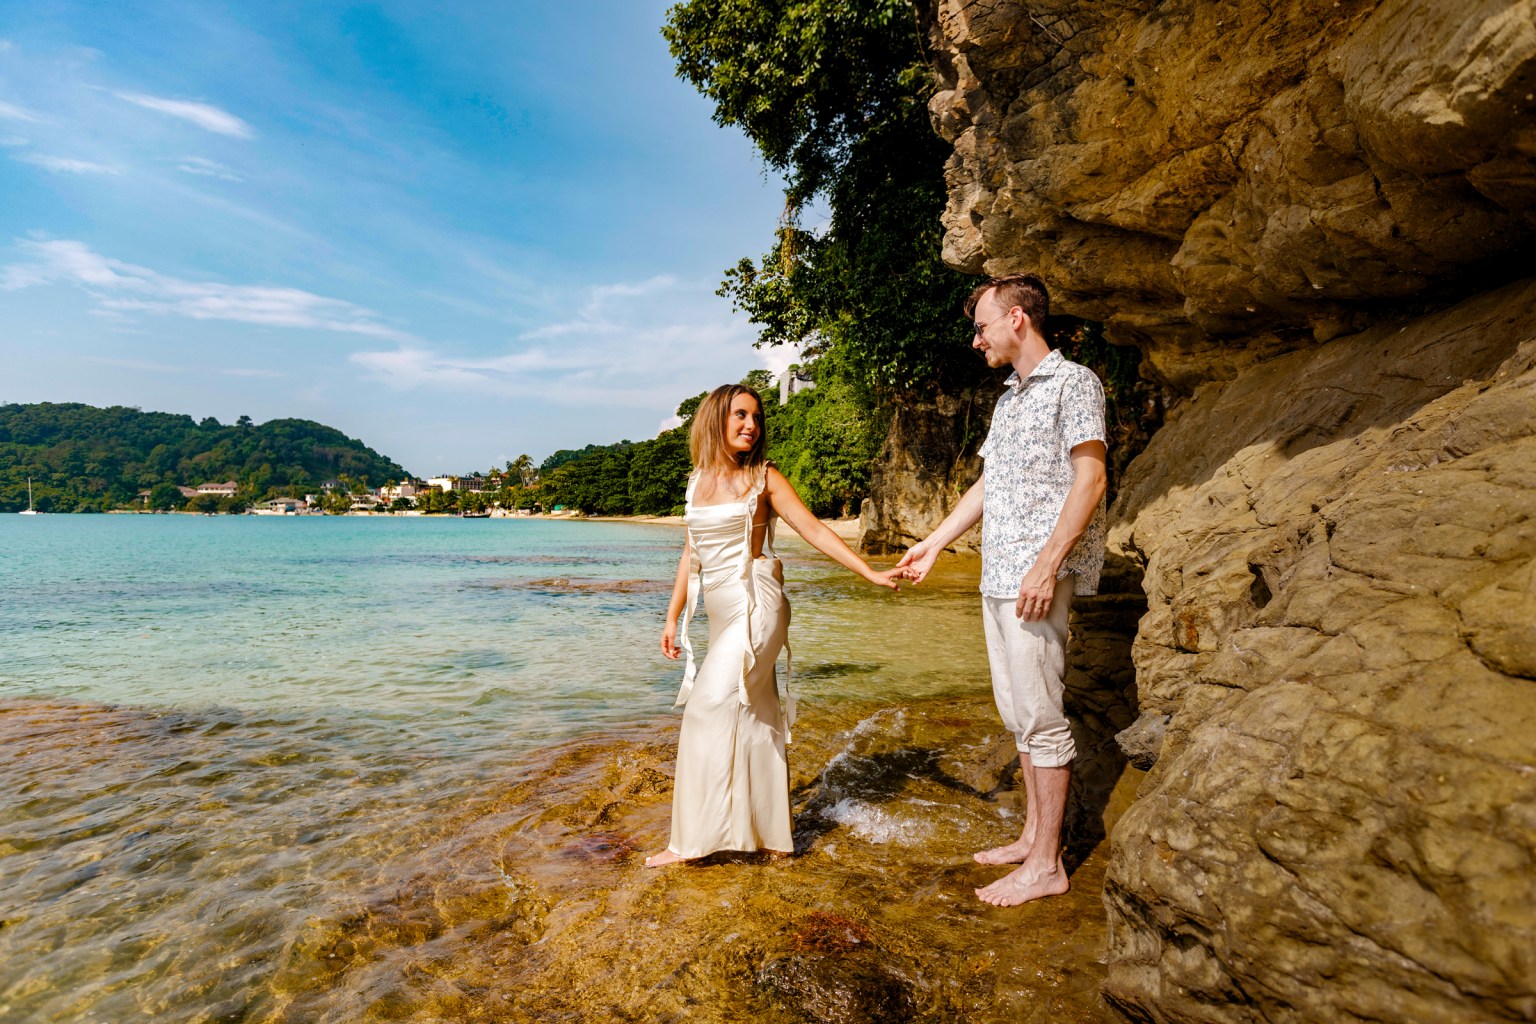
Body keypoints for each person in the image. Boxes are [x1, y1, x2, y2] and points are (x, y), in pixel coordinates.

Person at [897, 274, 1108, 906]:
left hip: (1036, 577)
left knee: (1041, 715)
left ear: (1017, 318)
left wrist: (1046, 566)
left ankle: (1046, 865)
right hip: (999, 574)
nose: (976, 339)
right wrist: (934, 542)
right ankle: (1032, 837)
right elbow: (990, 486)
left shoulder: (1076, 383)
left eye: (982, 325)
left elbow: (1090, 479)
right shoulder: (1009, 397)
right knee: (1018, 712)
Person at [646, 383, 906, 868]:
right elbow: (690, 554)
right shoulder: (695, 481)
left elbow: (813, 529)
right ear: (715, 419)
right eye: (740, 415)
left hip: (757, 606)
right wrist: (672, 615)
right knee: (759, 715)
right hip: (721, 615)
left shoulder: (764, 478)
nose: (751, 426)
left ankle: (690, 843)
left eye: (756, 418)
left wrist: (868, 571)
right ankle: (770, 835)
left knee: (707, 706)